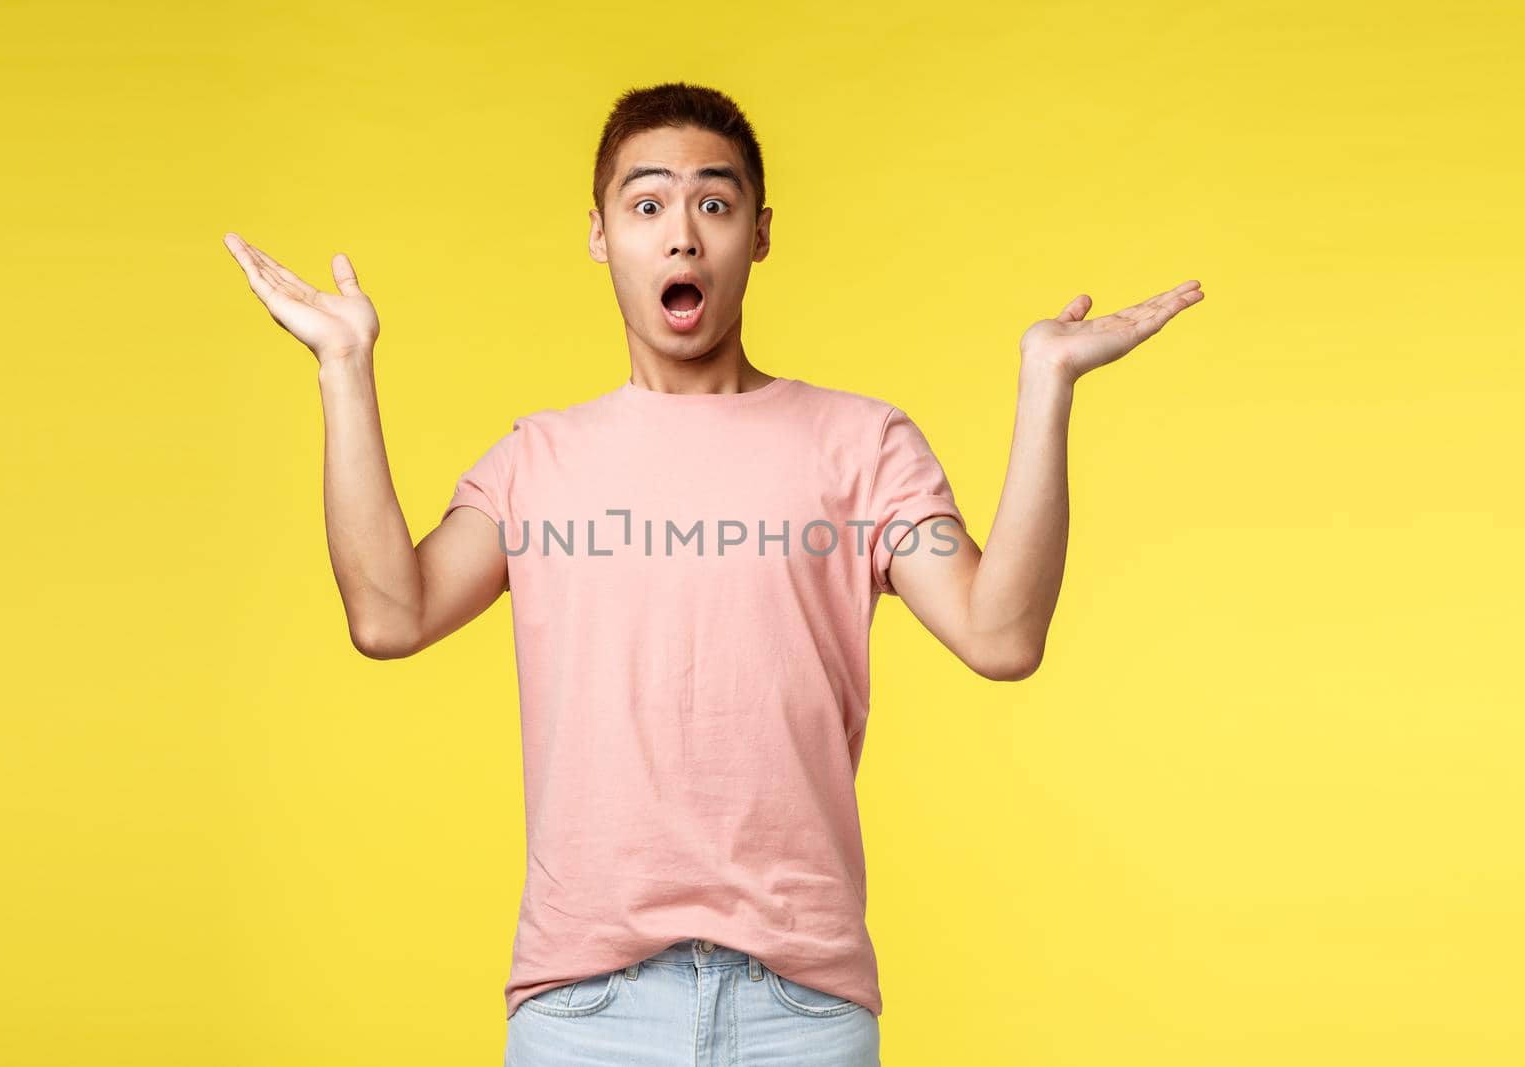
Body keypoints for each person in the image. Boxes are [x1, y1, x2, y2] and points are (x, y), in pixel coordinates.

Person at [222, 80, 1204, 1067]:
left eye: (714, 203)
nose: (681, 235)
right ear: (601, 236)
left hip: (803, 1009)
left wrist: (1048, 386)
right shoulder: (536, 462)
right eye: (646, 205)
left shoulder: (860, 443)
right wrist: (342, 368)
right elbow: (391, 613)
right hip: (582, 1011)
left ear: (759, 233)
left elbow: (1001, 634)